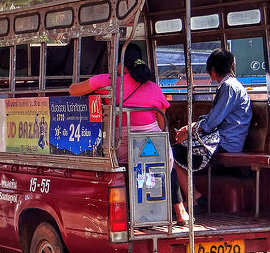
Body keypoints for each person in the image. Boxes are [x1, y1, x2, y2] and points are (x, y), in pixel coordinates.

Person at [69, 43, 190, 224]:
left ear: (120, 65)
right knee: (166, 162)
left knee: (121, 165)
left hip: (121, 141)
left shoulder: (107, 81)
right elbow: (162, 120)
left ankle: (126, 212)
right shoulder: (153, 87)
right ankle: (180, 211)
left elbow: (73, 90)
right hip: (150, 139)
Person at [173, 48, 252, 214]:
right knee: (181, 150)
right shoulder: (230, 86)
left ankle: (192, 199)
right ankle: (195, 195)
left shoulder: (229, 87)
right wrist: (190, 128)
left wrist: (188, 131)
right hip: (225, 138)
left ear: (213, 70)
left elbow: (211, 122)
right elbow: (212, 119)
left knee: (174, 154)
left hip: (226, 141)